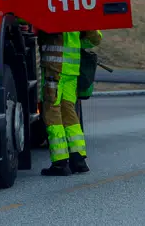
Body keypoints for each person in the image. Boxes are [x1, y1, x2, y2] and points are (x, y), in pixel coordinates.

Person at [39, 28, 103, 176]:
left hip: (54, 69)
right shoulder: (78, 15)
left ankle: (60, 163)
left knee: (52, 112)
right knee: (69, 113)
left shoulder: (54, 15)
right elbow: (95, 38)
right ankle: (78, 159)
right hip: (72, 70)